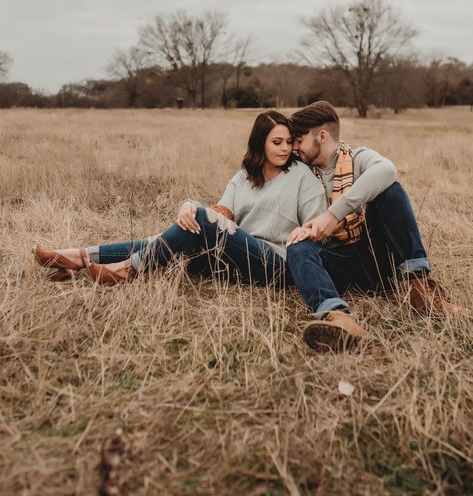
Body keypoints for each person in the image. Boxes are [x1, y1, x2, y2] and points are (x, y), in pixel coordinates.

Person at [33, 111, 325, 292]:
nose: (286, 148)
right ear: (260, 143)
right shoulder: (242, 178)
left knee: (193, 224)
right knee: (172, 237)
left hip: (276, 263)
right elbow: (220, 215)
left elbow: (315, 236)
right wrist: (188, 205)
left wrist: (196, 211)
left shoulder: (303, 178)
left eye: (289, 142)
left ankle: (128, 269)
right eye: (277, 142)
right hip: (236, 258)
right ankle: (79, 257)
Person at [285, 100, 469, 352]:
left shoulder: (357, 157)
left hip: (375, 257)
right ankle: (338, 319)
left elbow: (387, 170)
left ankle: (420, 291)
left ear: (322, 136)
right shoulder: (301, 171)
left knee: (389, 191)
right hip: (336, 262)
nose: (294, 147)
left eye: (298, 139)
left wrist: (332, 215)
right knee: (297, 246)